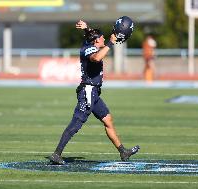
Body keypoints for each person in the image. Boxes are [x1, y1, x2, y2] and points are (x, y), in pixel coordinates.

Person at [49, 20, 140, 165]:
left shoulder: (91, 43)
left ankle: (123, 152)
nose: (104, 38)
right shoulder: (88, 49)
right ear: (97, 40)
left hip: (94, 93)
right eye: (102, 37)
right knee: (77, 122)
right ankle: (57, 153)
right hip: (88, 91)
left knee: (108, 120)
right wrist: (110, 43)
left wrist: (86, 28)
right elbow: (96, 57)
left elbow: (92, 38)